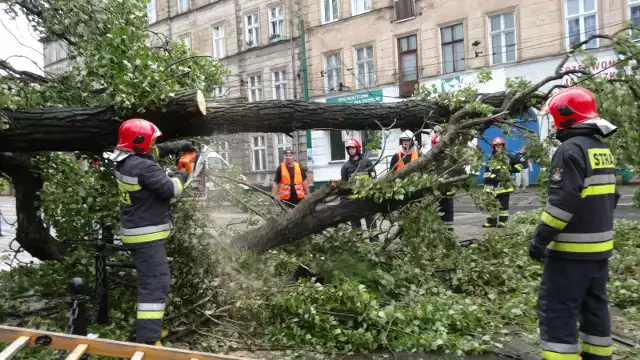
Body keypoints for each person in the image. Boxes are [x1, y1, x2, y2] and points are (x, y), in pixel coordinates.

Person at [529, 87, 619, 360]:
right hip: (599, 252)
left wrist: (539, 240)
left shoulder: (569, 151)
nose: (554, 124)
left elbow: (560, 206)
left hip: (571, 255)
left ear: (565, 117)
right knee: (595, 309)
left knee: (557, 310)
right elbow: (612, 197)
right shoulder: (602, 149)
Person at [108, 118, 196, 346]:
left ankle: (149, 331)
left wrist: (179, 146)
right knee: (156, 284)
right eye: (152, 140)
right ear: (140, 142)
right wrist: (184, 172)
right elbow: (171, 189)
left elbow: (154, 154)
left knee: (151, 282)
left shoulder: (126, 159)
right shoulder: (143, 167)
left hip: (136, 232)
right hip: (145, 236)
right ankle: (148, 340)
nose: (155, 144)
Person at [340, 138, 379, 241]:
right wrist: (343, 202)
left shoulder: (367, 163)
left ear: (357, 148)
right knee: (356, 226)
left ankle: (374, 242)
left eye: (352, 148)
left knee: (371, 223)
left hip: (367, 199)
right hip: (353, 202)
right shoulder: (345, 167)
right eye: (349, 149)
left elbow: (374, 180)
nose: (350, 150)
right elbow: (343, 186)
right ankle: (359, 245)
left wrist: (375, 195)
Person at [482, 137, 525, 228]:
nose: (499, 147)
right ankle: (491, 222)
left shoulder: (508, 156)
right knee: (491, 206)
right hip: (491, 186)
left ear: (503, 146)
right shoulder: (490, 157)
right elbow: (486, 171)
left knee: (503, 207)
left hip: (504, 186)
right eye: (497, 145)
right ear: (493, 147)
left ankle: (503, 222)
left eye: (500, 145)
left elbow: (519, 166)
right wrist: (486, 183)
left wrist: (509, 170)